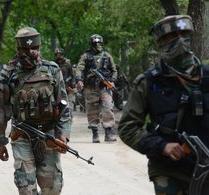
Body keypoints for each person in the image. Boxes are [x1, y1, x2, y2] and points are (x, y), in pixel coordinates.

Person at [118, 15, 209, 194]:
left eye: (184, 34)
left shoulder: (206, 76)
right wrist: (161, 146)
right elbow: (127, 128)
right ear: (161, 42)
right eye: (173, 36)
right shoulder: (148, 82)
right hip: (169, 169)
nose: (181, 41)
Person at [0, 27, 71, 195]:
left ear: (39, 47)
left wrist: (64, 133)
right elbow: (1, 109)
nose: (30, 53)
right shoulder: (8, 74)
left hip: (48, 135)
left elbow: (63, 105)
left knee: (53, 189)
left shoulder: (52, 70)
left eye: (34, 48)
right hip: (22, 136)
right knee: (26, 189)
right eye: (25, 49)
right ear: (18, 49)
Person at [76, 34, 117, 143]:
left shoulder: (107, 56)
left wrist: (112, 81)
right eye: (95, 43)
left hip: (105, 87)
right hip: (90, 87)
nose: (97, 45)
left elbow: (114, 70)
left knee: (108, 107)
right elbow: (79, 69)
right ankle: (95, 134)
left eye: (99, 43)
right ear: (91, 44)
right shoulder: (85, 56)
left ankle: (108, 133)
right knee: (92, 110)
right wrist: (79, 80)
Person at [54, 48, 76, 119]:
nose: (59, 56)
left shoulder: (68, 63)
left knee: (69, 107)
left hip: (68, 88)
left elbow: (72, 75)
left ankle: (69, 118)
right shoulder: (53, 64)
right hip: (57, 88)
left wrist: (73, 86)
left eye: (60, 54)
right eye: (57, 54)